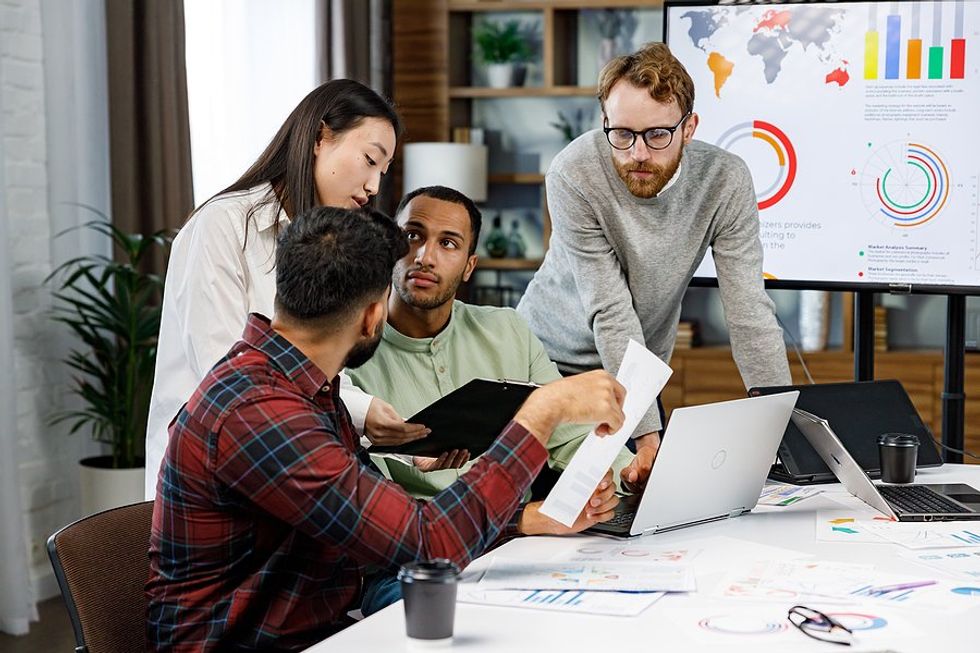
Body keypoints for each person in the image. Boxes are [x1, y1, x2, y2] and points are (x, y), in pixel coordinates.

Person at [146, 206, 626, 652]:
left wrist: (522, 519)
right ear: (375, 314)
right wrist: (538, 413)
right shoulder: (261, 411)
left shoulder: (299, 387)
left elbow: (386, 524)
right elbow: (429, 541)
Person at [145, 79, 425, 499]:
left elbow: (311, 368)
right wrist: (363, 413)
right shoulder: (222, 227)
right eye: (370, 160)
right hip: (211, 485)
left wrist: (388, 431)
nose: (374, 187)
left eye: (382, 172)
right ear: (319, 137)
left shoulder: (315, 242)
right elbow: (228, 381)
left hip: (277, 470)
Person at [517, 42, 791, 469]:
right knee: (567, 511)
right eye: (622, 134)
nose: (638, 154)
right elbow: (610, 309)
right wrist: (645, 435)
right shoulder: (574, 172)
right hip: (545, 365)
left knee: (645, 511)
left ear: (689, 127)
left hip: (635, 370)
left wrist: (783, 428)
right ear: (605, 121)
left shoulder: (724, 180)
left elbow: (749, 312)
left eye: (657, 135)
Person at [347, 185, 652, 501]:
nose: (425, 257)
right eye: (412, 236)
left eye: (448, 243)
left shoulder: (509, 330)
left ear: (469, 266)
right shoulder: (348, 350)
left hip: (523, 536)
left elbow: (568, 437)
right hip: (421, 537)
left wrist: (631, 473)